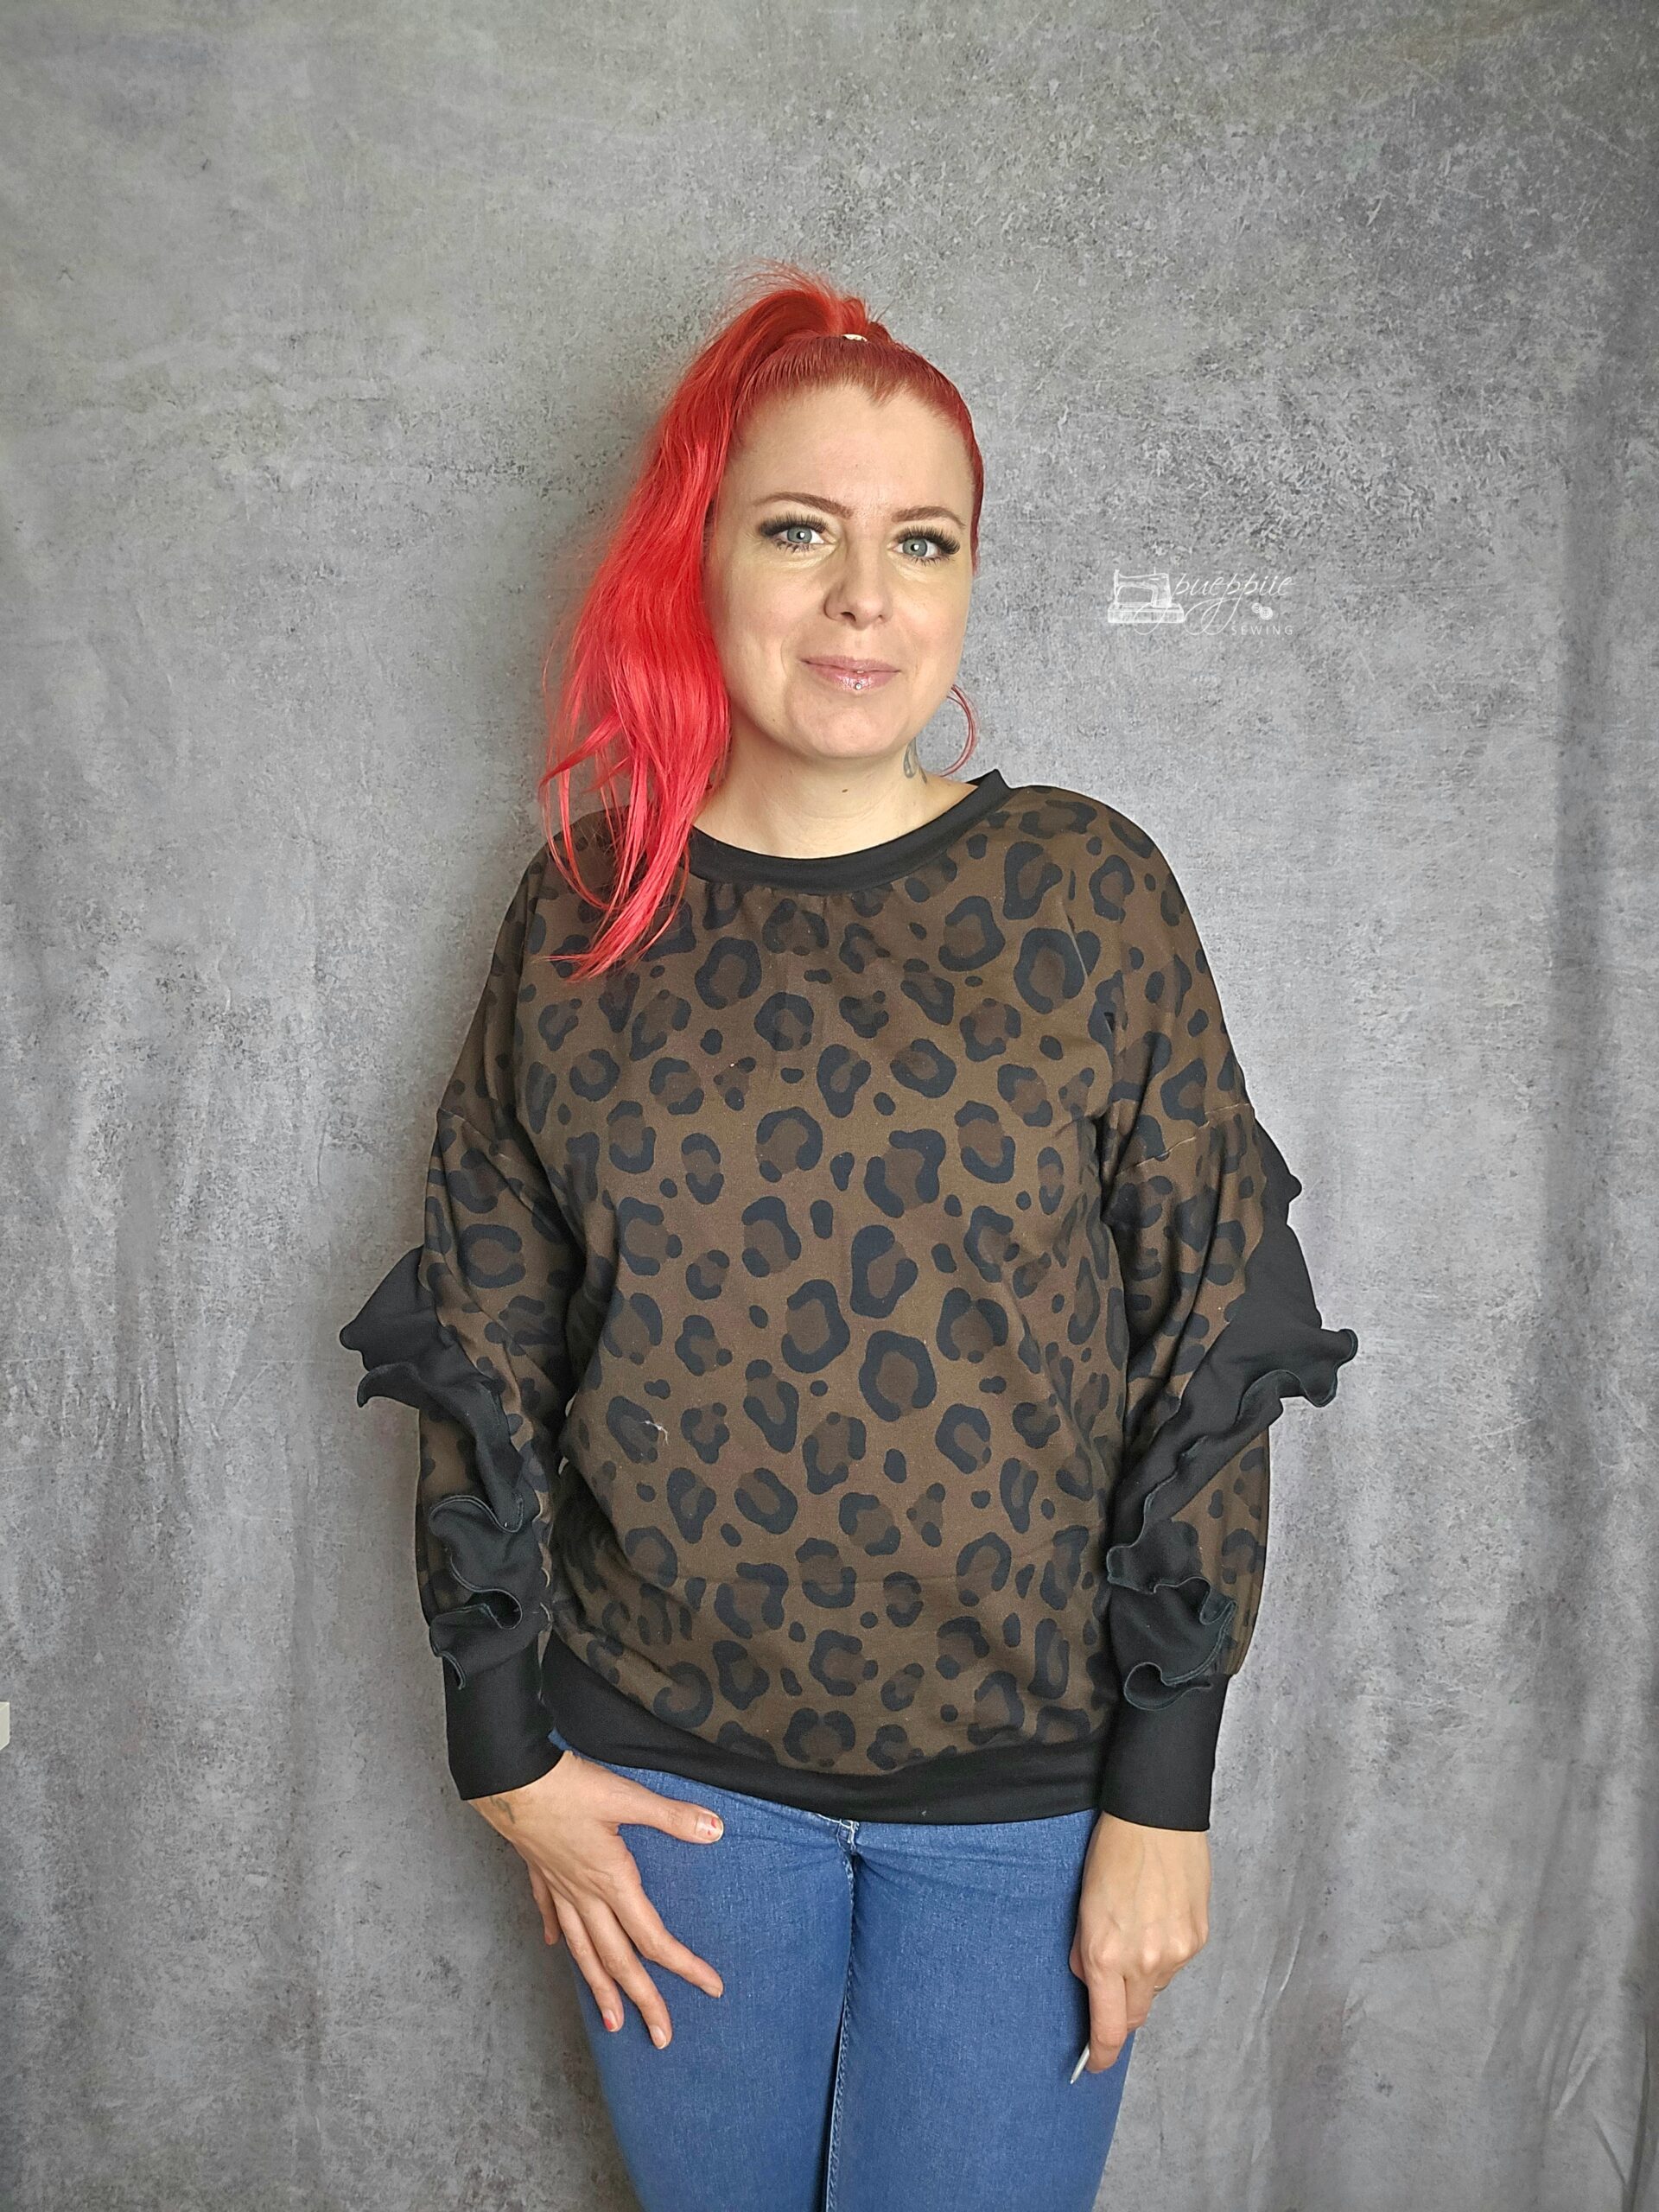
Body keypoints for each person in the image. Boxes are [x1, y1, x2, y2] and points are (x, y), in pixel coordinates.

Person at [340, 261, 1360, 2212]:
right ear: (702, 553)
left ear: (971, 576)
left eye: (923, 541)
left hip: (1028, 1797)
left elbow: (1215, 1334)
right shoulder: (586, 914)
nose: (864, 598)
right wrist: (502, 1748)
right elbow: (484, 1330)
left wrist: (1163, 1791)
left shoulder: (1084, 891)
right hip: (668, 1791)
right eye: (800, 530)